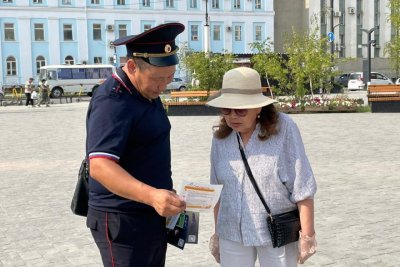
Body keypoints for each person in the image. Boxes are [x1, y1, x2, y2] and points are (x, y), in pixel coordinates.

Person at [85, 22, 186, 267]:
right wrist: (152, 195)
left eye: (170, 78)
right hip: (123, 221)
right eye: (159, 78)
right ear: (132, 66)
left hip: (150, 214)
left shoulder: (145, 92)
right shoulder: (113, 100)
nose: (164, 86)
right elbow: (99, 165)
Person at [207, 67, 317, 267]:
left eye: (240, 109)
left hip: (276, 231)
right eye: (226, 110)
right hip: (232, 231)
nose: (232, 116)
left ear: (258, 107)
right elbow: (217, 190)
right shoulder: (221, 139)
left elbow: (302, 185)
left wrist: (307, 235)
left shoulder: (284, 129)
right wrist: (217, 232)